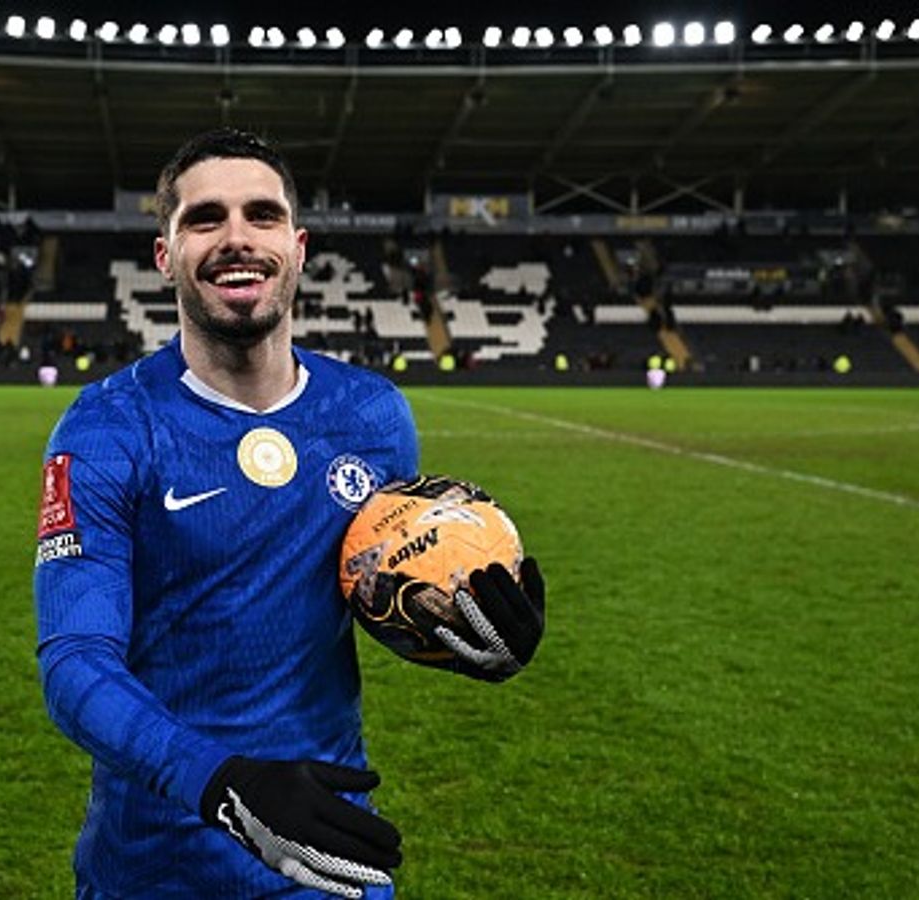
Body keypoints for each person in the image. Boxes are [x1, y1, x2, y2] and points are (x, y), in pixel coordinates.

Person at [33, 128, 546, 899]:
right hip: (155, 864)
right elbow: (74, 664)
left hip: (328, 854)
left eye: (262, 215)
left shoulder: (373, 415)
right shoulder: (104, 430)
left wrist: (465, 630)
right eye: (205, 218)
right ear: (165, 256)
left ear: (298, 246)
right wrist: (220, 785)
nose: (236, 238)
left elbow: (373, 588)